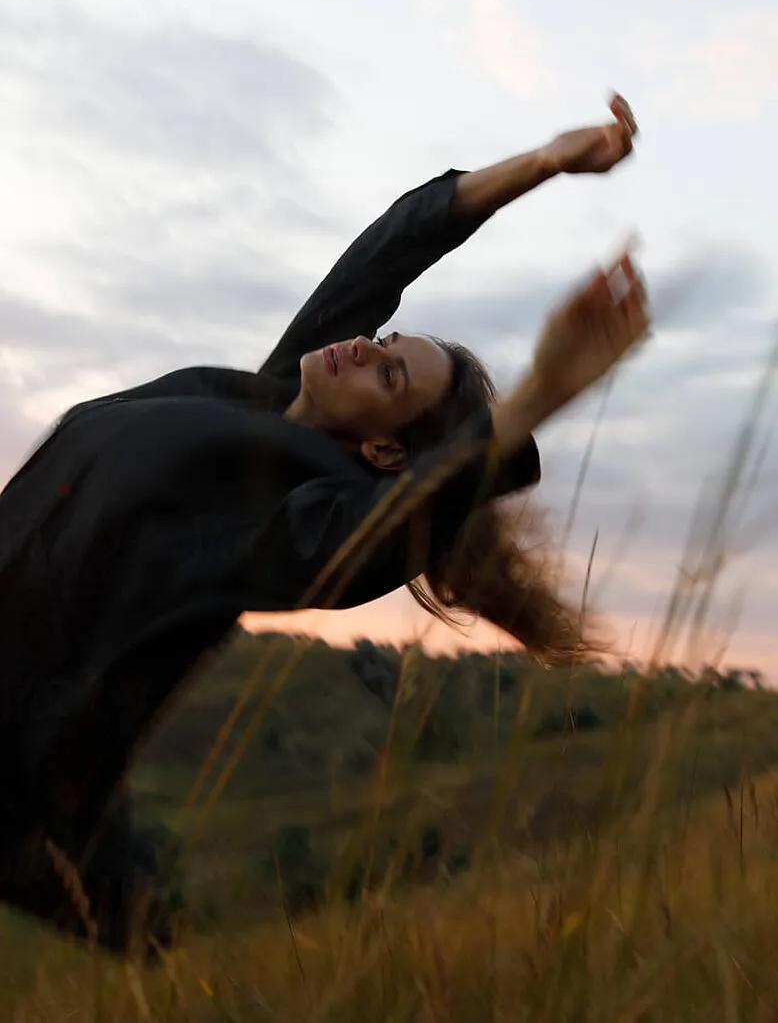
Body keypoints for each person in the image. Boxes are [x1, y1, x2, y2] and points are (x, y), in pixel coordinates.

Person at [0, 93, 647, 956]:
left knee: (149, 940)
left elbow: (385, 531)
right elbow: (387, 250)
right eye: (387, 340)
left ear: (383, 451)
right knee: (155, 945)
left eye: (389, 379)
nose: (366, 347)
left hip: (12, 760)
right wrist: (543, 163)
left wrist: (537, 395)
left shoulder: (297, 511)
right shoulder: (266, 400)